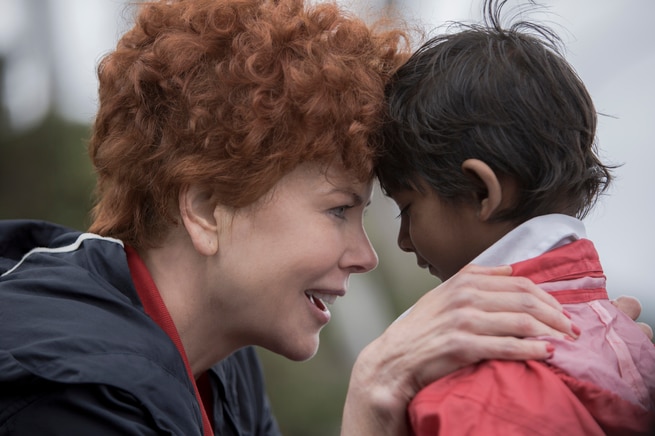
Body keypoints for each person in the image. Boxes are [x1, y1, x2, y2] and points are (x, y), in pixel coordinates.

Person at [0, 0, 645, 435]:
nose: (367, 254)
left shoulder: (217, 361)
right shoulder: (71, 394)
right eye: (339, 210)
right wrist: (369, 398)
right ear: (204, 209)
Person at [376, 1, 655, 434]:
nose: (404, 241)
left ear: (481, 191)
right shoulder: (629, 343)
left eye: (407, 209)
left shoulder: (478, 397)